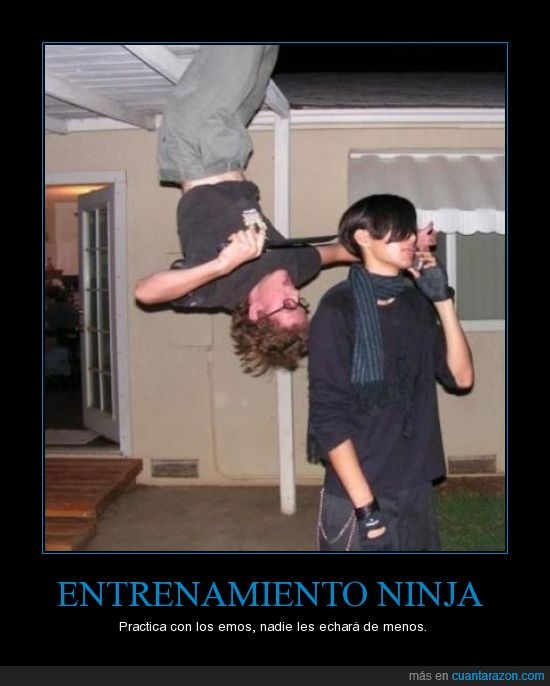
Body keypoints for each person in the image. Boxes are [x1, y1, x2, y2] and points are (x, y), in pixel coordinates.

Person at [134, 44, 357, 375]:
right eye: (300, 303)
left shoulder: (220, 289)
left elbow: (146, 293)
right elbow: (340, 252)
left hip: (196, 148)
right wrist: (405, 255)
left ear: (256, 312)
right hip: (232, 149)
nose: (294, 293)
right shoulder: (295, 268)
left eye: (287, 304)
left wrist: (222, 264)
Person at [308, 194, 474, 552]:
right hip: (359, 493)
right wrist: (366, 509)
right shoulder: (338, 309)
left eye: (410, 230)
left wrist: (442, 300)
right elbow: (327, 416)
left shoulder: (415, 304)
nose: (410, 238)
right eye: (398, 230)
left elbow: (461, 378)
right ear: (363, 237)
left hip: (415, 484)